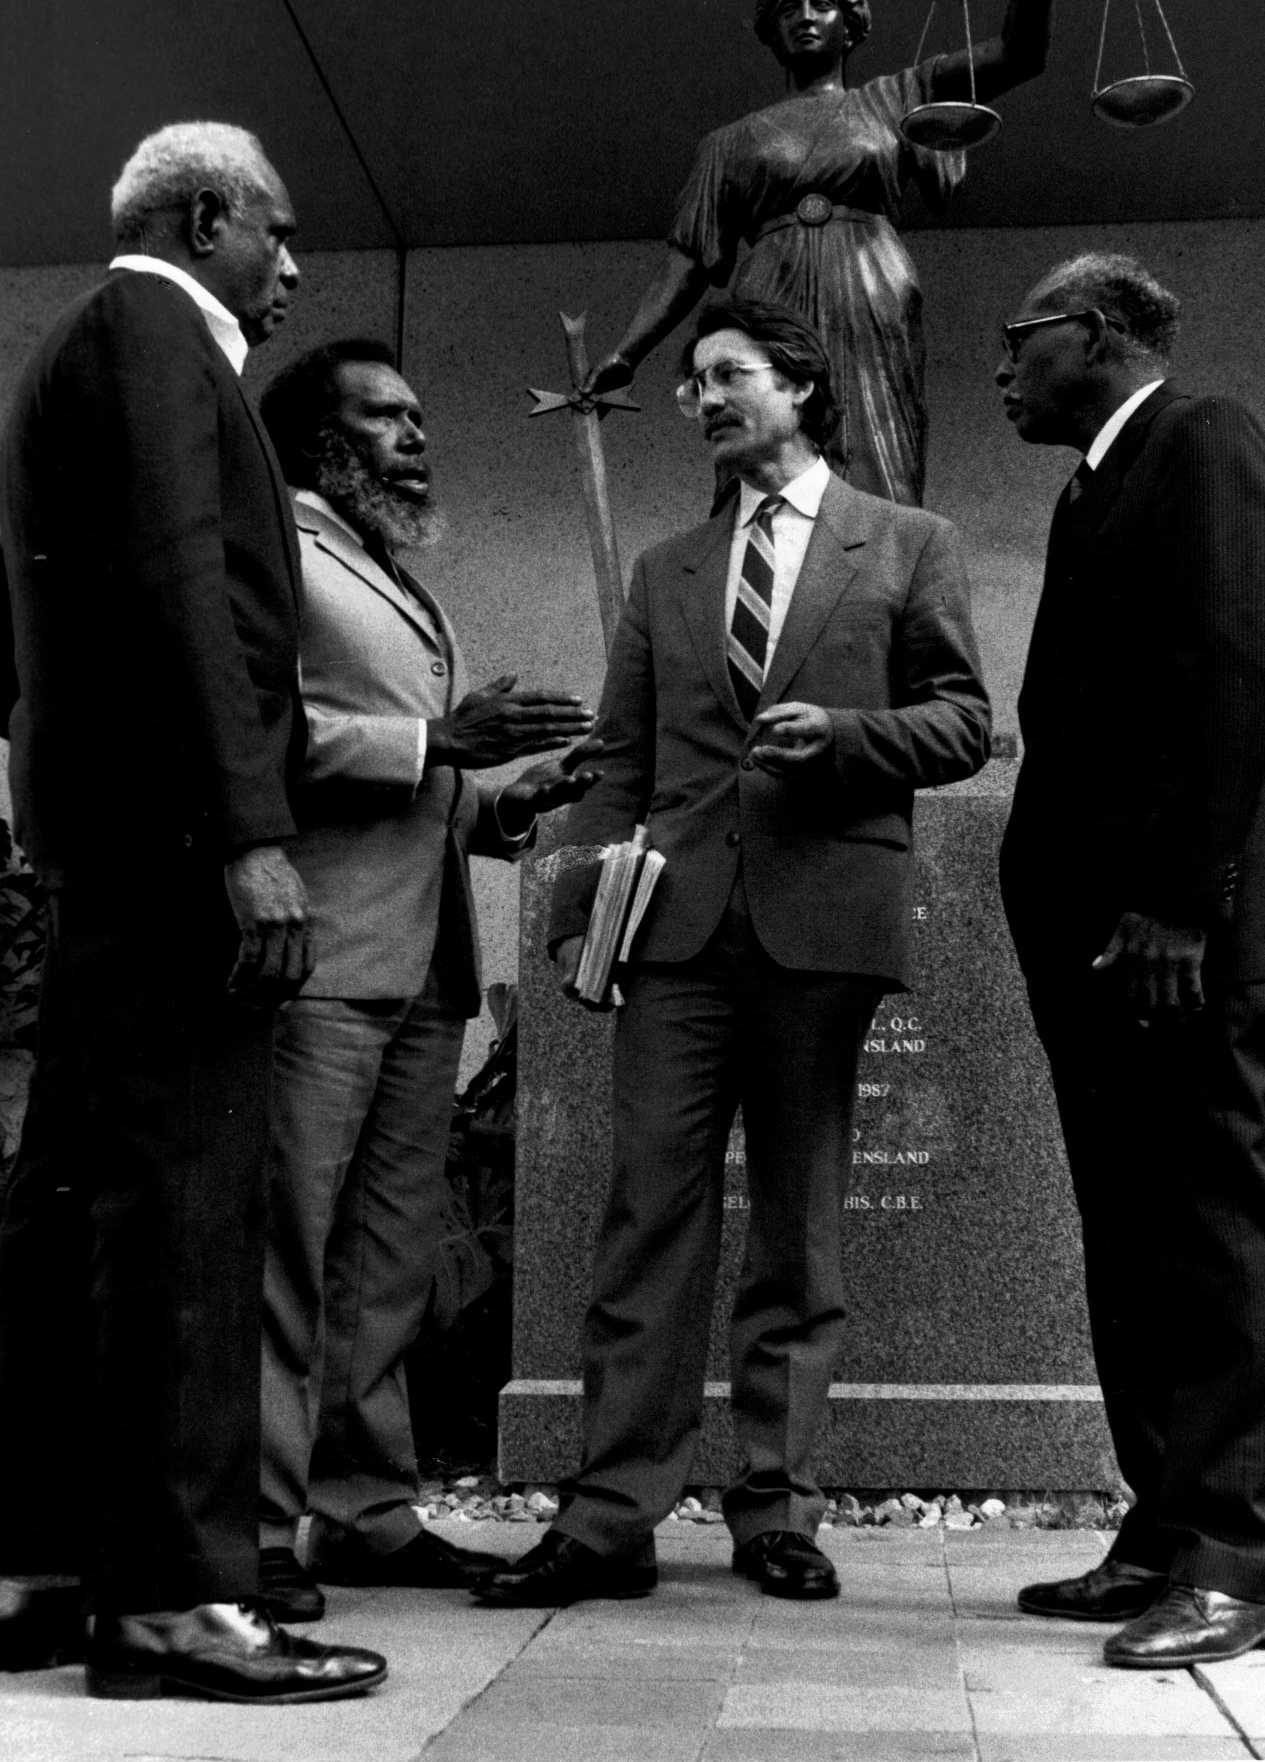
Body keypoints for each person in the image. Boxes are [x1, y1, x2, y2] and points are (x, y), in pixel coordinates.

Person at [473, 296, 990, 1609]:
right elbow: (621, 764)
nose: (701, 397)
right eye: (694, 380)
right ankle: (607, 1518)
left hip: (822, 921)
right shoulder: (665, 572)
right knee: (648, 1210)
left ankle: (775, 1504)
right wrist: (580, 894)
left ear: (802, 387)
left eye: (727, 375)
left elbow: (965, 722)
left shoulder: (907, 544)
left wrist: (851, 740)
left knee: (799, 1228)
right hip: (679, 933)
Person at [0, 124, 385, 1703]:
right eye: (277, 235)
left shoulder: (63, 352)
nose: (292, 268)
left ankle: (47, 1560)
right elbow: (179, 581)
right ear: (207, 216)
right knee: (187, 1218)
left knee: (66, 1213)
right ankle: (172, 1598)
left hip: (101, 851)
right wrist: (249, 833)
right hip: (177, 858)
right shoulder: (164, 333)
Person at [995, 253, 1265, 1668]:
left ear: (1103, 332)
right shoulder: (1086, 491)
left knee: (1220, 1226)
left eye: (1023, 340)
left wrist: (1187, 901)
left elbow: (1237, 670)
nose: (1004, 366)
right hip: (1098, 949)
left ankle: (1243, 1562)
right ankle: (1164, 1527)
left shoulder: (1203, 440)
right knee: (1131, 1233)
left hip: (1181, 940)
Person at [253, 340, 598, 1623]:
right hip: (318, 957)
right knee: (286, 1247)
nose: (415, 435)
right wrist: (433, 739)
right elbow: (252, 734)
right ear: (316, 443)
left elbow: (418, 787)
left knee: (386, 1257)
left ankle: (361, 1509)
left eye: (416, 413)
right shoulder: (276, 553)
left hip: (422, 962)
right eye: (382, 417)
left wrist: (510, 802)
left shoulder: (392, 568)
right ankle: (251, 1526)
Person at [578, 0, 1060, 505]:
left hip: (867, 291)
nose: (805, 17)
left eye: (822, 3)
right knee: (763, 451)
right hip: (767, 301)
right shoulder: (729, 143)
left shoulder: (900, 96)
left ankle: (880, 577)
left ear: (850, 21)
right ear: (770, 30)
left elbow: (1020, 53)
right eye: (788, 8)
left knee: (877, 452)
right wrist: (627, 353)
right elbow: (690, 261)